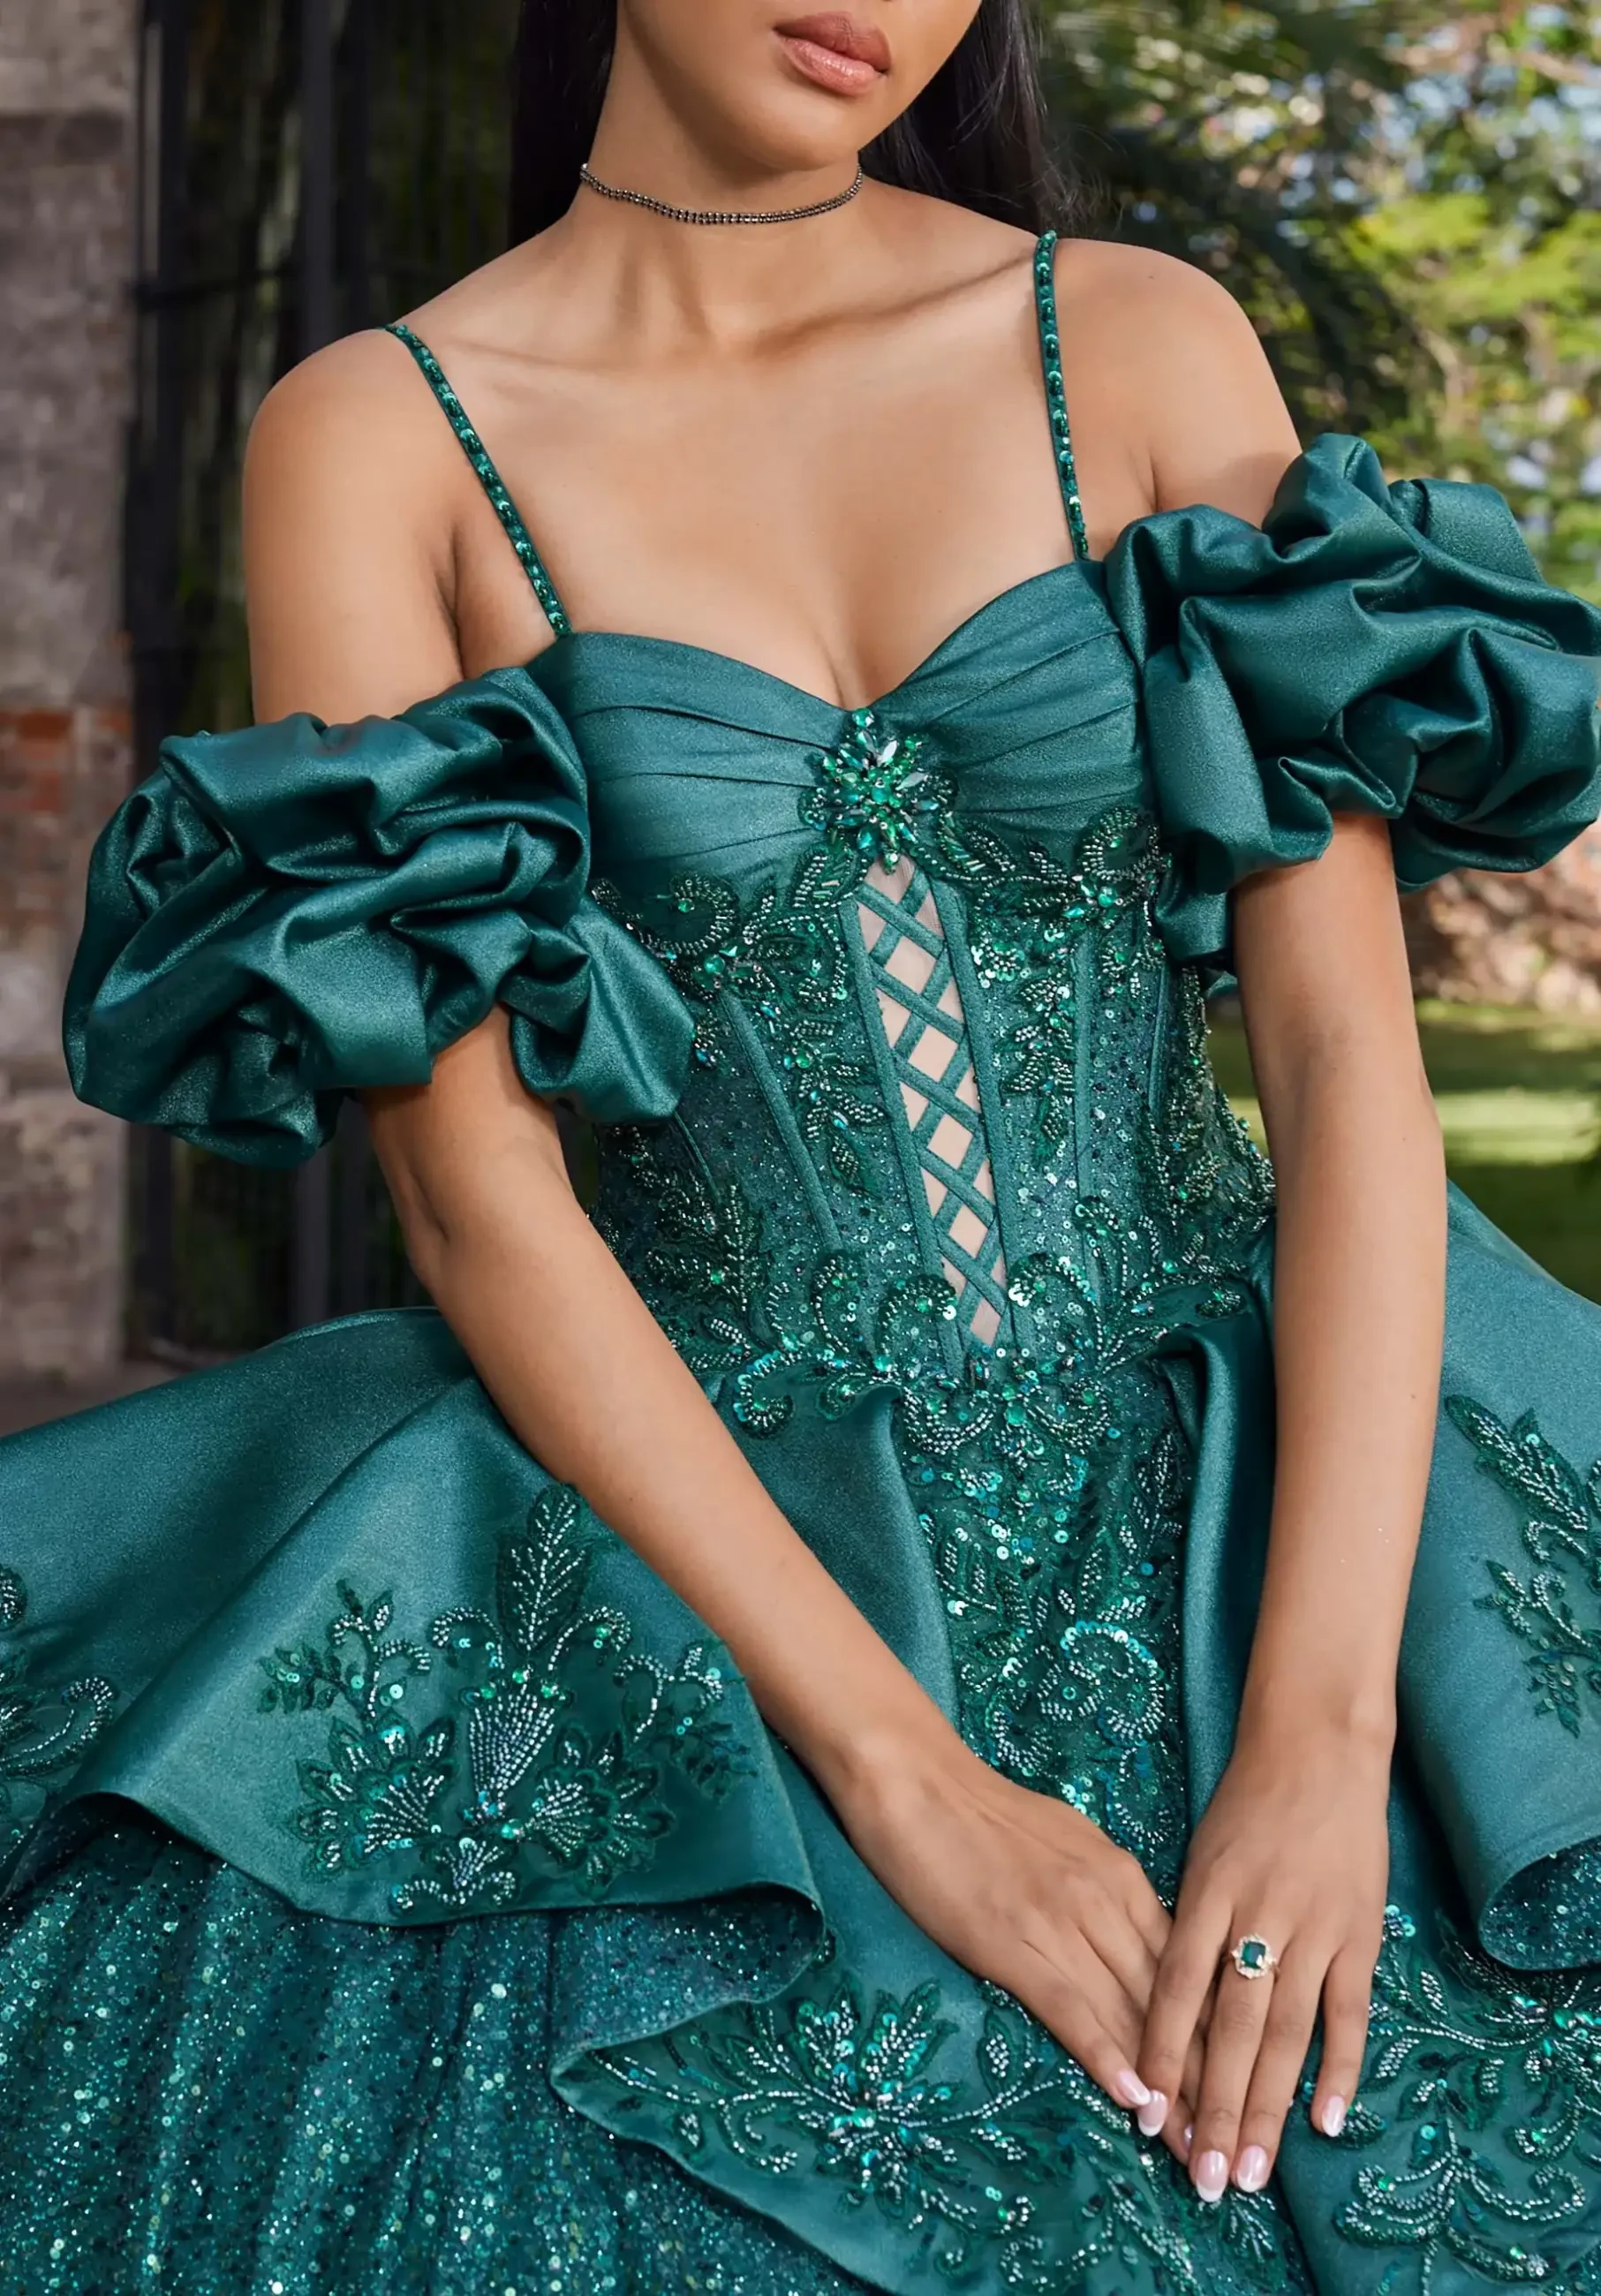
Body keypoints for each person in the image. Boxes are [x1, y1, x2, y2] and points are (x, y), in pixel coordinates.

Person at [3, 1, 1599, 2288]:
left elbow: (1344, 1073)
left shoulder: (1135, 344)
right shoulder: (381, 432)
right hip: (698, 1518)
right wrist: (910, 1787)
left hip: (1275, 1500)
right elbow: (475, 1203)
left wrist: (1325, 1737)